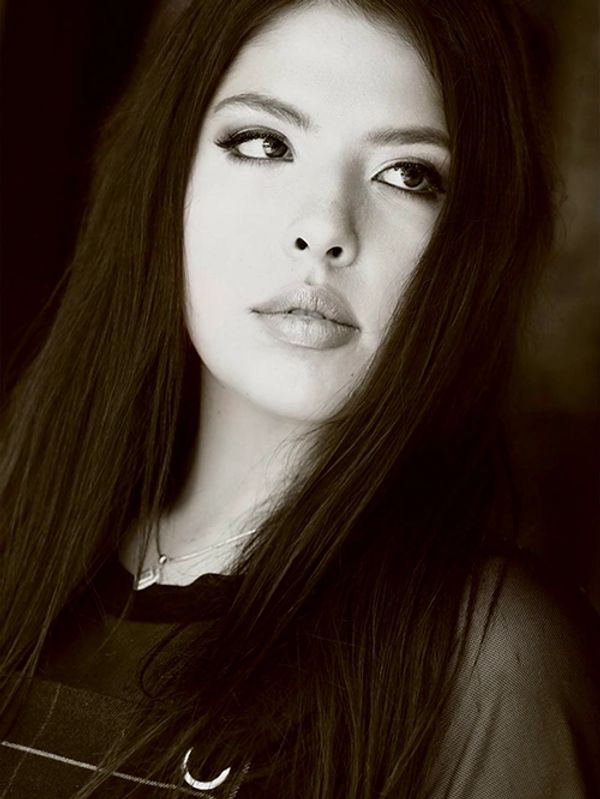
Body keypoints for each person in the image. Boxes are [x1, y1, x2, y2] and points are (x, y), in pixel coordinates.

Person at [1, 0, 598, 796]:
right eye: (265, 143)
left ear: (470, 243)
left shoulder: (484, 660)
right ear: (168, 177)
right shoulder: (23, 548)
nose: (324, 228)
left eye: (408, 174)